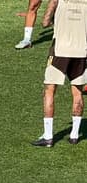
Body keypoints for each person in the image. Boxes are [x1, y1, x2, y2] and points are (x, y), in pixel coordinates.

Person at [32, 0, 87, 147]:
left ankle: (48, 136)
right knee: (77, 93)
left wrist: (46, 19)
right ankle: (74, 135)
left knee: (49, 91)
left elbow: (50, 10)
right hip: (81, 51)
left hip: (60, 50)